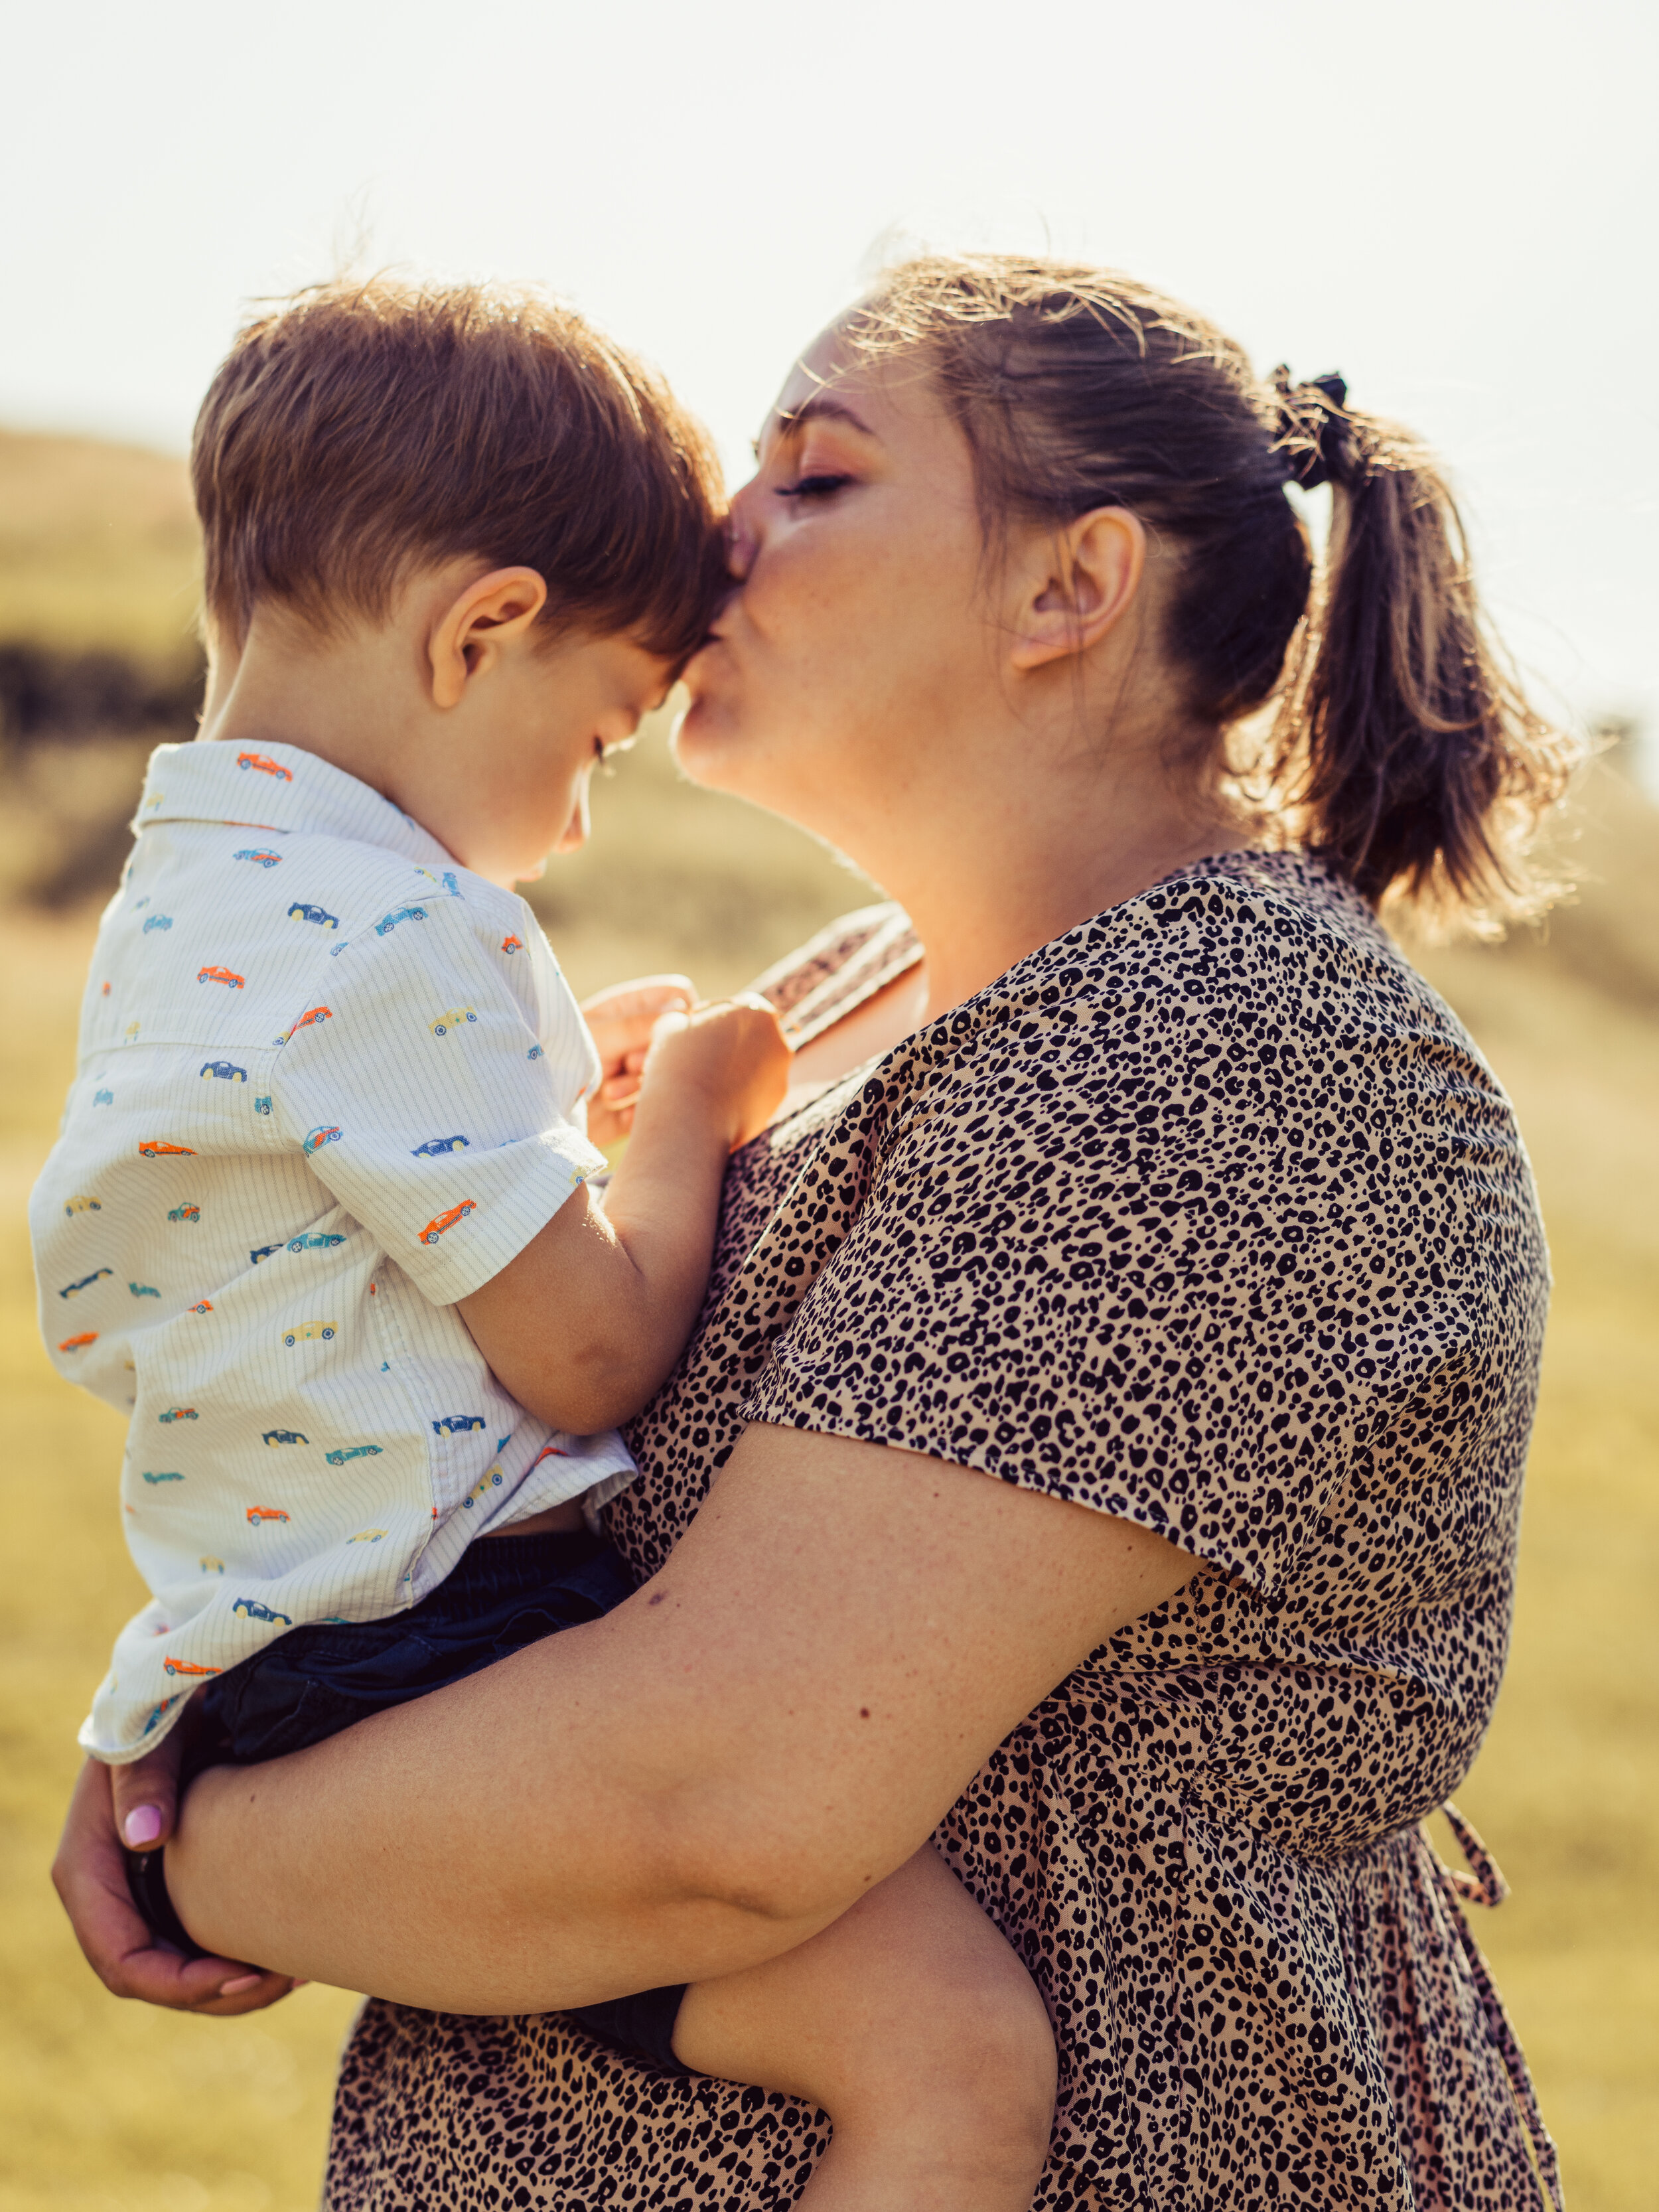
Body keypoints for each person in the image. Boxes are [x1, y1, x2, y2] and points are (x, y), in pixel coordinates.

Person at [54, 256, 1575, 2211]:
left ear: (1066, 589)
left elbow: (707, 1814)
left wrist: (209, 1823)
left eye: (813, 475)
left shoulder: (1215, 1051)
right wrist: (239, 1678)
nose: (719, 530)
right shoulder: (867, 990)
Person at [35, 273, 1066, 2212]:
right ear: (482, 630)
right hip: (454, 1641)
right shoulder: (405, 934)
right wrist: (680, 1124)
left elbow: (322, 1264)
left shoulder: (194, 908)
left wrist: (527, 1136)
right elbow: (583, 1356)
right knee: (949, 2060)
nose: (579, 822)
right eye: (596, 737)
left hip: (275, 1650)